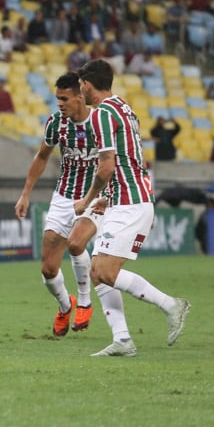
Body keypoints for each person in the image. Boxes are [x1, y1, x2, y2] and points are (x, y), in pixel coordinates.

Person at [74, 59, 190, 357]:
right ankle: (122, 339)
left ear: (87, 84)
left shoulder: (101, 114)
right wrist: (107, 197)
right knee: (97, 271)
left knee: (106, 272)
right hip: (124, 198)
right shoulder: (123, 106)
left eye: (80, 87)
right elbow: (129, 160)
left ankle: (171, 305)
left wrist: (87, 200)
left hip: (130, 203)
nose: (80, 93)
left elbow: (106, 167)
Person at [15, 72, 102, 337]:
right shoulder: (56, 123)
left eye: (64, 99)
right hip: (63, 196)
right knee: (48, 268)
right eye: (57, 99)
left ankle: (85, 302)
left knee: (76, 243)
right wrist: (26, 193)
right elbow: (42, 156)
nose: (60, 104)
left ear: (80, 96)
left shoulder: (99, 122)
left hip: (93, 196)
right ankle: (66, 305)